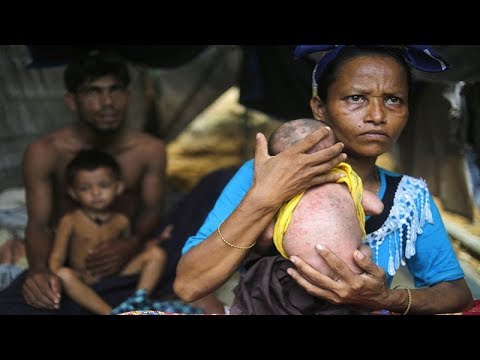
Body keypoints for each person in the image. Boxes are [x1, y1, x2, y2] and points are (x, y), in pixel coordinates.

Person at [175, 45, 474, 315]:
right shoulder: (261, 175)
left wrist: (385, 299)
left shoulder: (408, 197)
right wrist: (265, 197)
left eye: (393, 100)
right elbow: (189, 285)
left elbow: (456, 294)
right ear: (320, 108)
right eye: (356, 98)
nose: (377, 115)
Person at [0, 51, 168, 314]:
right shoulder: (46, 152)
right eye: (93, 92)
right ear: (71, 100)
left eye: (116, 90)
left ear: (128, 96)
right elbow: (39, 223)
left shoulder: (150, 150)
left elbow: (152, 209)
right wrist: (40, 270)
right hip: (72, 266)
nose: (107, 102)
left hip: (127, 260)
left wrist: (129, 244)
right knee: (15, 305)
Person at [230, 118, 383, 314]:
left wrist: (258, 251)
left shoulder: (283, 189)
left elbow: (268, 235)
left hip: (298, 275)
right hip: (350, 275)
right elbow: (376, 207)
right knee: (365, 254)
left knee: (262, 275)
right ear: (335, 154)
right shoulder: (345, 178)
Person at [49, 149, 166, 315]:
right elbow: (57, 257)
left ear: (118, 187)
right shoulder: (70, 221)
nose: (95, 193)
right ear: (73, 193)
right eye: (85, 188)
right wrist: (54, 278)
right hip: (85, 280)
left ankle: (138, 300)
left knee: (156, 254)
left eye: (103, 186)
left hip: (116, 275)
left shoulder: (121, 221)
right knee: (64, 274)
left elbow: (128, 253)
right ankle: (110, 312)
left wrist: (156, 241)